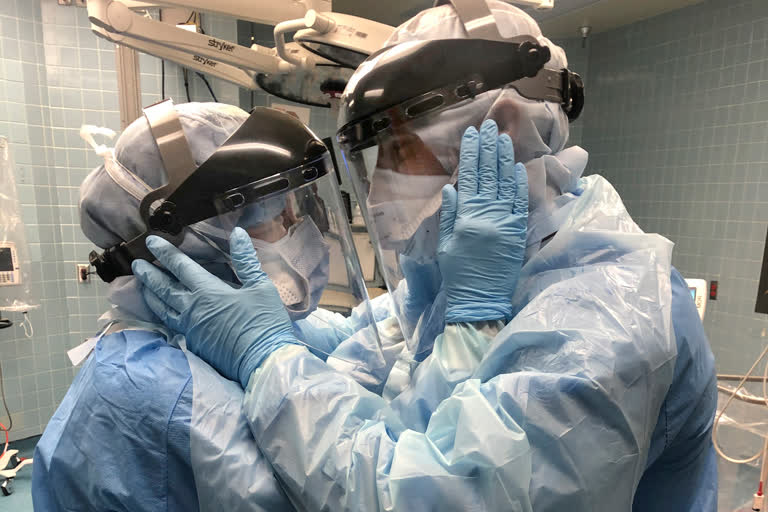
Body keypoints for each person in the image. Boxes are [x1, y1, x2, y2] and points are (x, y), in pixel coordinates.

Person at [135, 1, 718, 511]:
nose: (380, 189)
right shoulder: (479, 270)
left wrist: (268, 358)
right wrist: (282, 333)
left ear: (505, 128)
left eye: (401, 151)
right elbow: (375, 343)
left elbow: (416, 495)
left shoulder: (611, 322)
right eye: (375, 157)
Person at [32, 101, 387, 511]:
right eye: (280, 214)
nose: (298, 227)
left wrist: (424, 297)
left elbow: (352, 343)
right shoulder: (162, 394)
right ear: (191, 236)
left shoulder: (239, 330)